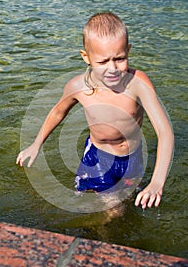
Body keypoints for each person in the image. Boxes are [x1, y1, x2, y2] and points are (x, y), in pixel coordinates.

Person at [16, 12, 174, 210]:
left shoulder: (137, 83)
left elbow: (164, 131)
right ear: (86, 57)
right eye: (103, 62)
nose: (113, 68)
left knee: (130, 200)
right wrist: (35, 144)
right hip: (99, 159)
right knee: (113, 211)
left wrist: (157, 181)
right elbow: (58, 112)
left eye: (120, 58)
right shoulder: (78, 87)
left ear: (128, 50)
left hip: (134, 157)